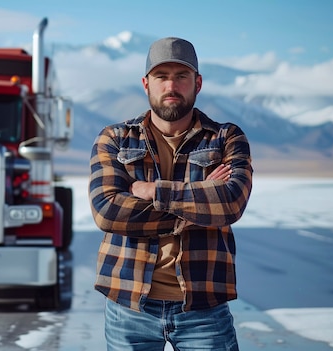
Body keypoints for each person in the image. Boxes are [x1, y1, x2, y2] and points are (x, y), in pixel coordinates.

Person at [88, 37, 253, 350]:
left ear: (198, 83)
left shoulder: (225, 138)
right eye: (161, 77)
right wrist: (199, 204)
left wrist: (151, 191)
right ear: (146, 83)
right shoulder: (116, 138)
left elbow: (231, 202)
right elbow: (107, 211)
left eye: (181, 76)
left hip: (203, 307)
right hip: (129, 304)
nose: (171, 86)